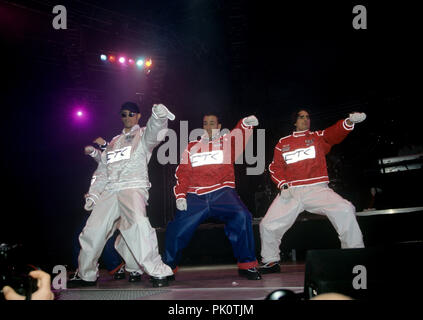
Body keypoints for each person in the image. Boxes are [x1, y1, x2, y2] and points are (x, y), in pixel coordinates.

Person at [68, 102, 174, 288]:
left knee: (138, 226)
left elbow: (154, 133)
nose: (127, 117)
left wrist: (158, 117)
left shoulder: (142, 135)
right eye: (123, 114)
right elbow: (102, 170)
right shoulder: (114, 142)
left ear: (138, 116)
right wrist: (93, 194)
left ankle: (157, 270)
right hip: (110, 190)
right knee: (93, 230)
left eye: (131, 114)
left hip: (132, 187)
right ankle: (86, 274)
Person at [259, 109, 366, 274]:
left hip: (317, 189)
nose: (305, 119)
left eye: (308, 117)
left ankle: (354, 255)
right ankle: (270, 261)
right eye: (301, 117)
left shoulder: (317, 137)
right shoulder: (283, 142)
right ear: (294, 121)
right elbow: (275, 167)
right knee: (267, 225)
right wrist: (283, 185)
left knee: (345, 209)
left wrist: (348, 123)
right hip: (291, 191)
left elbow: (334, 134)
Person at [163, 113, 262, 280]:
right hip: (196, 196)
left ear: (219, 126)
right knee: (176, 227)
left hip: (222, 193)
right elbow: (184, 172)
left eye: (212, 123)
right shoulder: (192, 146)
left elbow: (238, 136)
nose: (209, 127)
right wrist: (180, 195)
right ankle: (167, 267)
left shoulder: (226, 142)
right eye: (205, 123)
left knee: (242, 215)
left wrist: (244, 124)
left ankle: (247, 265)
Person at [69, 143, 125, 282]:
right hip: (96, 206)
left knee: (103, 238)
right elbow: (101, 162)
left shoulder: (113, 167)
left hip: (109, 205)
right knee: (89, 237)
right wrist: (90, 195)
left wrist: (100, 148)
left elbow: (105, 157)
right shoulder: (100, 169)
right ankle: (85, 270)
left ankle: (117, 266)